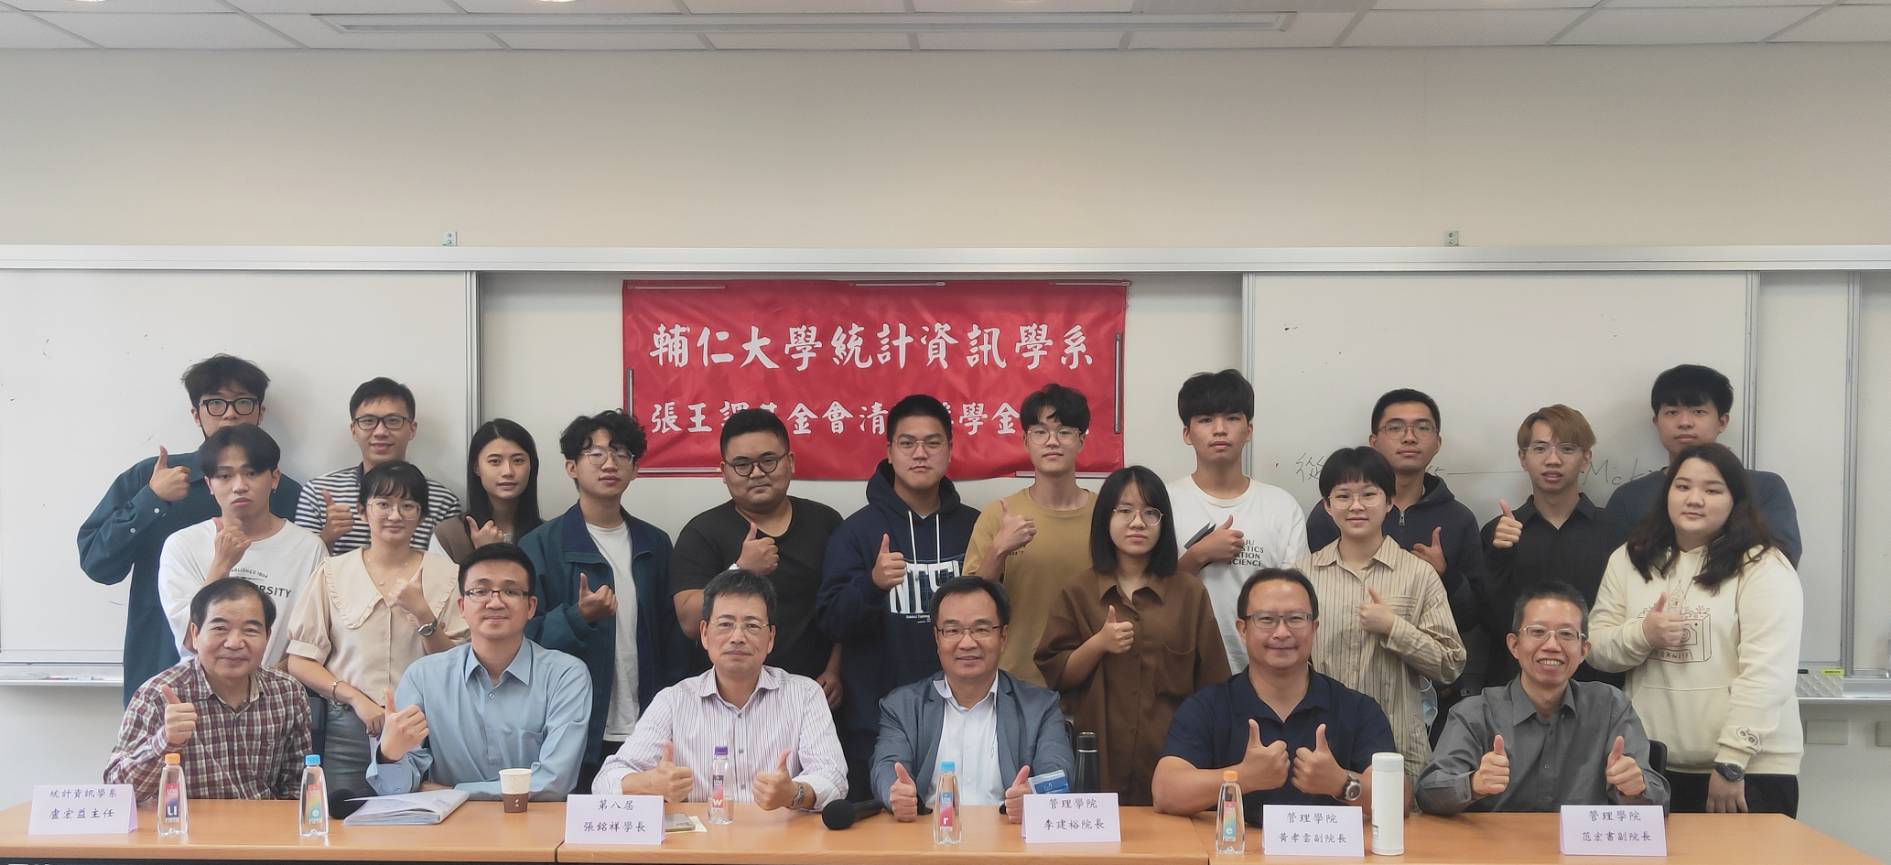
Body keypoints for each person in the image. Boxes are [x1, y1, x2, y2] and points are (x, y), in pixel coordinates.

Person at [1588, 443, 1803, 816]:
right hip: (1654, 765)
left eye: (1713, 490)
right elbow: (1596, 646)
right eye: (1683, 486)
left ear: (1735, 500)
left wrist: (1732, 761)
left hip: (1749, 770)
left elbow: (1768, 674)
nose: (1694, 499)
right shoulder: (1630, 558)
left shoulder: (1763, 565)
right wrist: (1643, 634)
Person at [79, 353, 304, 704]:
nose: (230, 414)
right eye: (215, 403)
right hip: (161, 668)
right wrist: (151, 500)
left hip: (260, 689)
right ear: (196, 414)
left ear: (260, 412)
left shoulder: (284, 491)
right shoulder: (151, 478)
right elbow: (98, 564)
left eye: (243, 402)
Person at [1036, 465, 1232, 805]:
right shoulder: (1078, 591)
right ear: (1105, 518)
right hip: (1098, 763)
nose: (1137, 522)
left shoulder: (1188, 593)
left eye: (1150, 513)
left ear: (1163, 523)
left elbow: (1213, 687)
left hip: (1171, 761)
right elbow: (1056, 675)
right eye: (1124, 511)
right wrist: (1099, 644)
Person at [816, 394, 979, 801]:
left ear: (950, 449)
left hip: (966, 722)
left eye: (932, 442)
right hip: (874, 724)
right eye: (907, 443)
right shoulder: (857, 531)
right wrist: (871, 584)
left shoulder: (976, 528)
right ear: (889, 452)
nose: (920, 454)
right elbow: (832, 621)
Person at [520, 410, 686, 791]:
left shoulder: (655, 543)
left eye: (621, 453)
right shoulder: (541, 545)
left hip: (647, 726)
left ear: (635, 468)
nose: (609, 463)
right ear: (571, 467)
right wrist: (577, 617)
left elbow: (672, 635)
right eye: (595, 453)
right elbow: (523, 639)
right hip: (571, 727)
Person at [283, 460, 468, 796]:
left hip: (425, 725)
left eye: (408, 506)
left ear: (421, 516)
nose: (395, 515)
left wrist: (424, 616)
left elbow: (458, 666)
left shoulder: (448, 574)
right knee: (345, 819)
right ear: (362, 511)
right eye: (383, 504)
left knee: (422, 820)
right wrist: (355, 698)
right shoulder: (332, 571)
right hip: (348, 725)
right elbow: (300, 660)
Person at [594, 569, 847, 812]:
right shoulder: (673, 701)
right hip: (700, 841)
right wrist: (650, 784)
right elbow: (606, 780)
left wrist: (794, 793)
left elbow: (833, 777)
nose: (737, 637)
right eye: (725, 624)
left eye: (751, 626)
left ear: (770, 638)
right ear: (704, 634)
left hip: (781, 840)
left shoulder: (804, 695)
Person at [1153, 568, 1396, 821]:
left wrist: (1341, 783)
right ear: (1242, 629)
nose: (1281, 633)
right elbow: (1165, 791)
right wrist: (1243, 777)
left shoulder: (1357, 708)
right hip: (1236, 847)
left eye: (1295, 618)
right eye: (1266, 619)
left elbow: (1399, 796)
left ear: (1314, 628)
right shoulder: (1207, 707)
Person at [1306, 389, 1488, 720]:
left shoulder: (1456, 522)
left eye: (1421, 427)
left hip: (1409, 713)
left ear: (1387, 502)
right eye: (1395, 427)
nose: (1409, 437)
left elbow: (1461, 641)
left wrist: (1443, 579)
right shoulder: (1306, 569)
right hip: (1323, 722)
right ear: (1328, 505)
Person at [1417, 583, 1669, 814]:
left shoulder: (1611, 707)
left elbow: (1659, 799)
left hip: (1585, 846)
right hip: (1499, 846)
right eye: (1538, 631)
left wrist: (1636, 788)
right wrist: (1473, 785)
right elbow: (1429, 792)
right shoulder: (1475, 714)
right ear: (1514, 645)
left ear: (1584, 650)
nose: (1552, 645)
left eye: (1566, 634)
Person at [1295, 446, 1465, 787]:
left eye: (1369, 494)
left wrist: (1394, 628)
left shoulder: (1418, 574)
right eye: (1343, 496)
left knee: (1398, 820)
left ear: (1389, 502)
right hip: (1321, 744)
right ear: (1327, 506)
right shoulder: (1303, 575)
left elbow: (1450, 664)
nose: (1356, 506)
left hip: (1398, 745)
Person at [367, 543, 591, 800]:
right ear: (462, 606)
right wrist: (389, 755)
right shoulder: (423, 677)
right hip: (449, 824)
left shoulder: (565, 676)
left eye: (510, 591)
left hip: (533, 822)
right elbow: (394, 790)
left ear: (530, 607)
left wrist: (453, 792)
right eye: (481, 591)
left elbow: (554, 781)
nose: (495, 602)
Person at [670, 409, 843, 699]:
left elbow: (843, 606)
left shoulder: (825, 522)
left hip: (814, 694)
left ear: (790, 462)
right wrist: (741, 570)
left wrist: (836, 669)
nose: (757, 473)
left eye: (768, 460)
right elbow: (689, 622)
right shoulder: (702, 532)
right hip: (729, 699)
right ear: (724, 471)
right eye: (742, 464)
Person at [873, 577, 1074, 822]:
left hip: (1010, 840)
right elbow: (886, 767)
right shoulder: (902, 707)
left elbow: (1060, 772)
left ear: (1003, 636)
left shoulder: (1040, 707)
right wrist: (895, 793)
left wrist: (1035, 795)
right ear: (937, 638)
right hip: (930, 839)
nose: (967, 643)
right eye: (952, 630)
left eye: (981, 629)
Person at [105, 579, 311, 801]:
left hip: (262, 822)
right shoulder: (157, 695)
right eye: (220, 628)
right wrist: (165, 741)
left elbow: (298, 786)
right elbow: (117, 791)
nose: (234, 643)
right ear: (195, 634)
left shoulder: (287, 693)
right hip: (184, 822)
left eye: (250, 630)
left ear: (267, 637)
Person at [1164, 370, 1308, 672]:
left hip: (1263, 671)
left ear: (1249, 430)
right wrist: (1198, 556)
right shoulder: (1163, 502)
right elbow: (1146, 593)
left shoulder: (1281, 506)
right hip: (1180, 671)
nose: (1220, 430)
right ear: (1187, 434)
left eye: (1231, 418)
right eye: (1206, 420)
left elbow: (1296, 599)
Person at [962, 384, 1098, 687]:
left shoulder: (1105, 515)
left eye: (1064, 432)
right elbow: (968, 605)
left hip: (1091, 680)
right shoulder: (998, 515)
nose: (1052, 441)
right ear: (1026, 440)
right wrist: (999, 550)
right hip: (1016, 683)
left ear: (1081, 441)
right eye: (1040, 432)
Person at [1481, 405, 1627, 686]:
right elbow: (1489, 621)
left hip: (1598, 688)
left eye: (1567, 449)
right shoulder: (1498, 533)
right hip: (1514, 688)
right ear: (1523, 458)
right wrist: (1499, 557)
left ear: (1586, 458)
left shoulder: (1616, 533)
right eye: (1540, 448)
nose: (1553, 460)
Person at [158, 425, 327, 668]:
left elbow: (311, 644)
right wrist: (221, 565)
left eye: (251, 473)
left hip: (279, 687)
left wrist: (263, 682)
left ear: (275, 478)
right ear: (209, 484)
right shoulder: (182, 545)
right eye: (225, 476)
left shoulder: (309, 548)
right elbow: (189, 640)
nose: (239, 486)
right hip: (200, 687)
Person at [1604, 364, 1802, 565]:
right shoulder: (1629, 498)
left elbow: (1782, 561)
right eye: (1672, 412)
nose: (1684, 422)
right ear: (1656, 422)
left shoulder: (1765, 487)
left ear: (1722, 422)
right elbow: (1615, 567)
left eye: (1698, 412)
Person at [294, 377, 462, 555]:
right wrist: (326, 537)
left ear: (412, 429)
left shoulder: (443, 502)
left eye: (393, 420)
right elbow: (300, 565)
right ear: (354, 430)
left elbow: (448, 569)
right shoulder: (318, 493)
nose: (380, 432)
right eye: (368, 421)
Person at [431, 419, 545, 563]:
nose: (508, 471)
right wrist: (484, 555)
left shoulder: (548, 536)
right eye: (495, 461)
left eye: (518, 461)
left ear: (532, 466)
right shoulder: (449, 535)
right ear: (476, 467)